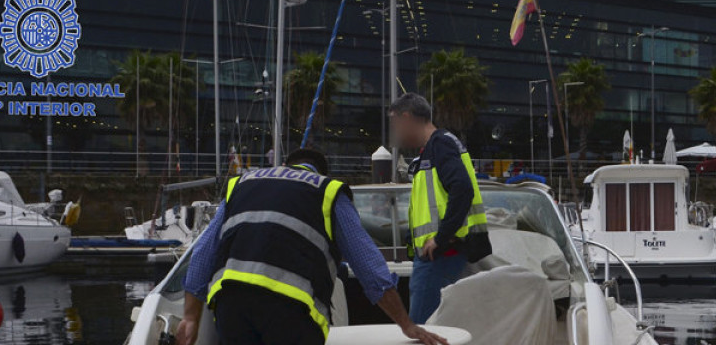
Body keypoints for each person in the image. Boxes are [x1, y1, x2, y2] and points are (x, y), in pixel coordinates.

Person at [176, 148, 447, 345]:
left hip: (231, 304)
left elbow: (202, 254)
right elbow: (370, 268)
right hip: (291, 311)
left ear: (285, 165)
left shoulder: (241, 184)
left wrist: (190, 318)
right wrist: (406, 325)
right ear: (321, 172)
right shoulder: (328, 191)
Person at [388, 93, 492, 324]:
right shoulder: (437, 147)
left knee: (421, 327)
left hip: (439, 254)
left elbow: (462, 190)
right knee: (436, 324)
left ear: (407, 118)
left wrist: (441, 238)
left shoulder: (441, 145)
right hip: (438, 252)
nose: (395, 131)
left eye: (395, 124)